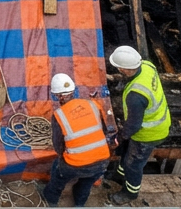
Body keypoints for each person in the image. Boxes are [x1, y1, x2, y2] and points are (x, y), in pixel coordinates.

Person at [107, 46, 170, 205]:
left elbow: (133, 125)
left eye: (119, 68)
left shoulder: (136, 95)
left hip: (148, 133)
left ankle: (130, 193)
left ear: (125, 69)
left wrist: (118, 137)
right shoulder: (148, 65)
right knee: (127, 153)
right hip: (157, 121)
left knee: (133, 165)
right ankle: (119, 175)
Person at [40, 73, 111, 207]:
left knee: (58, 173)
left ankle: (50, 198)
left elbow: (58, 146)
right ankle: (79, 203)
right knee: (86, 184)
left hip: (75, 165)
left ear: (58, 96)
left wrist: (64, 157)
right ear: (73, 90)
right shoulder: (93, 104)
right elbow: (105, 130)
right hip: (102, 162)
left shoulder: (59, 116)